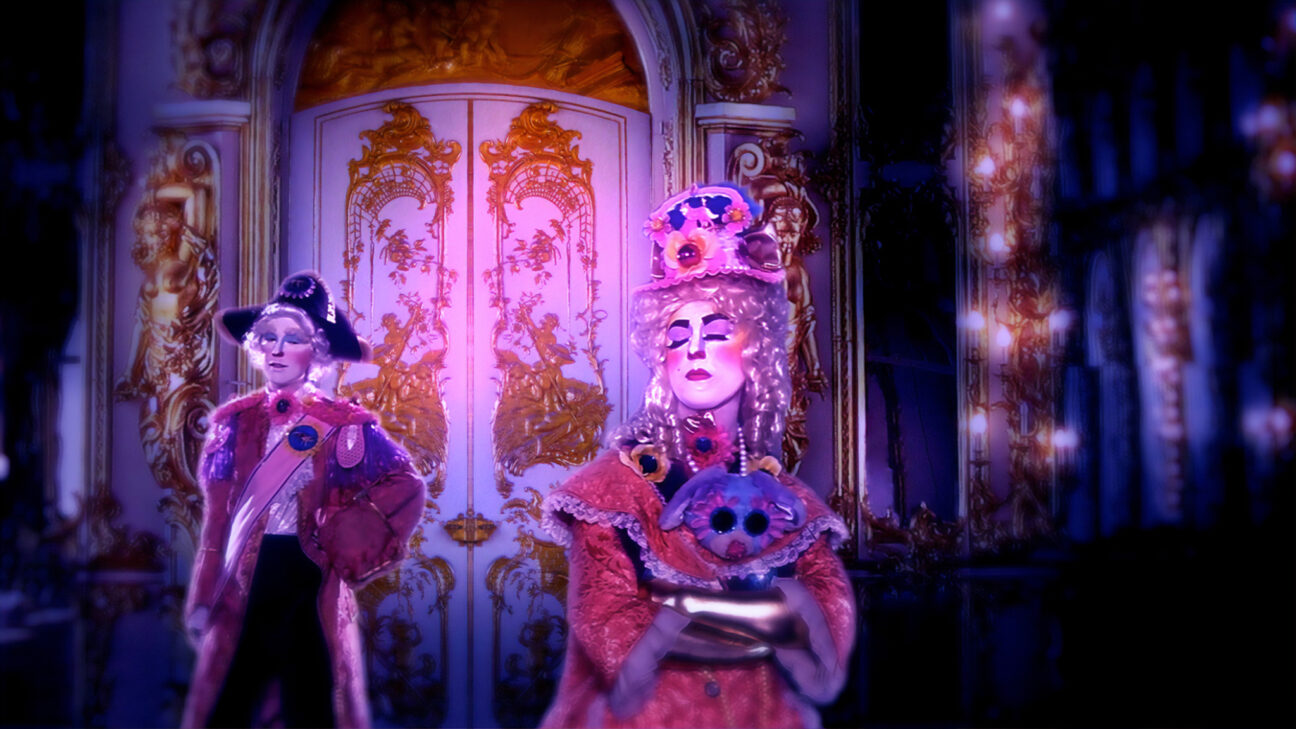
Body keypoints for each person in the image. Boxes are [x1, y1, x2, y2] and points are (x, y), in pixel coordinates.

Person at [539, 184, 856, 728]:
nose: (694, 351)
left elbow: (827, 637)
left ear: (754, 348)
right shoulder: (611, 490)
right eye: (677, 336)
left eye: (716, 332)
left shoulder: (789, 496)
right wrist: (775, 619)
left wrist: (676, 614)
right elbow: (610, 631)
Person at [180, 271, 425, 729]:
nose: (277, 348)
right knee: (230, 705)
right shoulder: (234, 423)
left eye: (293, 338)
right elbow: (216, 523)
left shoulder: (345, 423)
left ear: (318, 351)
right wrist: (202, 597)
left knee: (312, 702)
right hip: (244, 582)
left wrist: (344, 542)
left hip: (311, 580)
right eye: (269, 337)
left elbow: (405, 486)